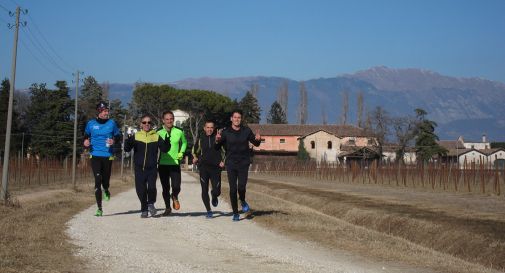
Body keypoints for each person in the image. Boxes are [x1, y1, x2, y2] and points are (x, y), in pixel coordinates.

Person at [215, 110, 261, 221]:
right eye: (235, 117)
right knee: (232, 189)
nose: (237, 119)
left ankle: (243, 200)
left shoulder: (246, 131)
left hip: (244, 163)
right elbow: (217, 147)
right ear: (231, 119)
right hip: (231, 163)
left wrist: (258, 140)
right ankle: (235, 213)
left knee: (241, 186)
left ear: (241, 119)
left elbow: (255, 143)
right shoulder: (226, 132)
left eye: (239, 117)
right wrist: (217, 140)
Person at [124, 115, 171, 218]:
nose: (146, 124)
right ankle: (144, 209)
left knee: (152, 188)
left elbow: (164, 150)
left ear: (151, 124)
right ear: (141, 124)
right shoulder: (136, 136)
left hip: (152, 168)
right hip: (139, 168)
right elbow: (127, 149)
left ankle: (151, 204)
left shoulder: (156, 136)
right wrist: (127, 141)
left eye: (149, 122)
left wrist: (167, 143)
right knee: (140, 190)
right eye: (144, 122)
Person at [84, 101, 122, 217]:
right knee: (97, 180)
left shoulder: (112, 123)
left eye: (107, 110)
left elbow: (118, 136)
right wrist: (85, 141)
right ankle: (99, 208)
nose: (107, 113)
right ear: (99, 112)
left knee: (105, 180)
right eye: (105, 111)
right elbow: (85, 135)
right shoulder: (91, 124)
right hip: (95, 155)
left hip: (108, 155)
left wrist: (113, 141)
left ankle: (106, 189)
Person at [192, 120, 225, 218]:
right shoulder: (201, 139)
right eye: (208, 127)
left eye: (211, 127)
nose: (209, 129)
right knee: (204, 190)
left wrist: (223, 161)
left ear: (214, 128)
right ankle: (209, 211)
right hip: (204, 168)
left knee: (217, 191)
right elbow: (194, 151)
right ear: (204, 128)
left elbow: (225, 152)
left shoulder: (219, 138)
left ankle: (214, 196)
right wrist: (195, 157)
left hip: (216, 169)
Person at [157, 110, 188, 216]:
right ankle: (167, 208)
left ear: (173, 119)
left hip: (175, 163)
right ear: (163, 120)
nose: (169, 121)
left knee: (176, 187)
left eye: (171, 119)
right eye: (167, 119)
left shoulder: (179, 131)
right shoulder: (158, 132)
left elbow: (184, 142)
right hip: (162, 164)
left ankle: (174, 196)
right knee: (165, 188)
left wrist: (181, 152)